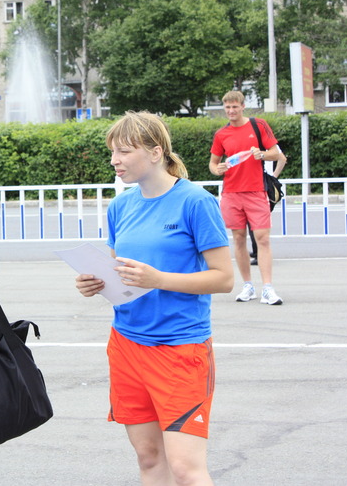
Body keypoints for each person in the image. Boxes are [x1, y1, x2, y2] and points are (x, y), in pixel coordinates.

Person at [75, 112, 233, 486]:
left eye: (124, 151)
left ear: (156, 152)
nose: (114, 160)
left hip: (180, 348)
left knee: (186, 468)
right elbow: (120, 272)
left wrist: (159, 279)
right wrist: (95, 282)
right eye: (112, 152)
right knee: (149, 459)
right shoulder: (121, 206)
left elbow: (224, 278)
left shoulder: (195, 201)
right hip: (127, 345)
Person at [209, 90, 284, 305]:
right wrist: (217, 169)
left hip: (256, 191)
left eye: (235, 107)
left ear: (243, 106)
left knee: (263, 238)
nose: (231, 111)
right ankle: (248, 286)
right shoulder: (221, 134)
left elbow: (276, 153)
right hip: (231, 193)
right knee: (239, 239)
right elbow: (213, 163)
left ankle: (268, 288)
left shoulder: (258, 125)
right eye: (227, 107)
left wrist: (262, 154)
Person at [248, 145, 286, 265]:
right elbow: (282, 159)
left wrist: (272, 176)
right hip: (267, 184)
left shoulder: (259, 144)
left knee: (254, 223)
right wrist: (273, 176)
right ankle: (258, 251)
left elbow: (282, 158)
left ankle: (259, 253)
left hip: (259, 185)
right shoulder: (269, 145)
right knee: (258, 222)